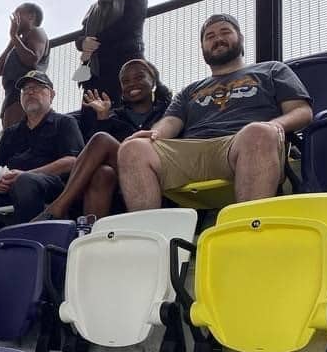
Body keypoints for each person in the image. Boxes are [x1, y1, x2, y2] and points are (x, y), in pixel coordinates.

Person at [118, 14, 313, 210]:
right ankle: (148, 236)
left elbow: (302, 111)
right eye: (209, 36)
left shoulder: (271, 70)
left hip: (241, 143)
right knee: (132, 148)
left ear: (240, 38)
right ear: (203, 47)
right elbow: (170, 122)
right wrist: (155, 134)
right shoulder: (190, 89)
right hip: (192, 151)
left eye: (225, 32)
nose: (217, 39)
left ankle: (248, 232)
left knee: (259, 133)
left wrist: (274, 125)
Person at [35, 59, 173, 220]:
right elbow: (95, 156)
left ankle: (57, 208)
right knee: (102, 173)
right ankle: (88, 234)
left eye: (139, 77)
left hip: (159, 168)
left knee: (102, 139)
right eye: (125, 81)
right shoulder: (115, 116)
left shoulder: (170, 111)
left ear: (153, 81)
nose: (132, 84)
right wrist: (103, 118)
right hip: (125, 175)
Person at [0, 71, 85, 225]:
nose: (29, 92)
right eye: (25, 89)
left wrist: (26, 174)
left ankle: (30, 240)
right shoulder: (11, 132)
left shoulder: (64, 123)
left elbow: (73, 161)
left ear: (52, 94)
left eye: (37, 87)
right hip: (9, 188)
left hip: (50, 186)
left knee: (25, 182)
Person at [74, 0, 148, 103]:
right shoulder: (94, 7)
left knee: (124, 111)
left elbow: (128, 24)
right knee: (91, 115)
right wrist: (83, 43)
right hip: (96, 70)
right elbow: (81, 34)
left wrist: (94, 42)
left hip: (126, 67)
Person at [0, 3, 50, 129]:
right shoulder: (18, 42)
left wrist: (14, 37)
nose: (14, 18)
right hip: (11, 95)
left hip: (26, 92)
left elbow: (32, 59)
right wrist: (13, 40)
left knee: (19, 138)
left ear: (31, 16)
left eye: (18, 13)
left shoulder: (37, 32)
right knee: (11, 138)